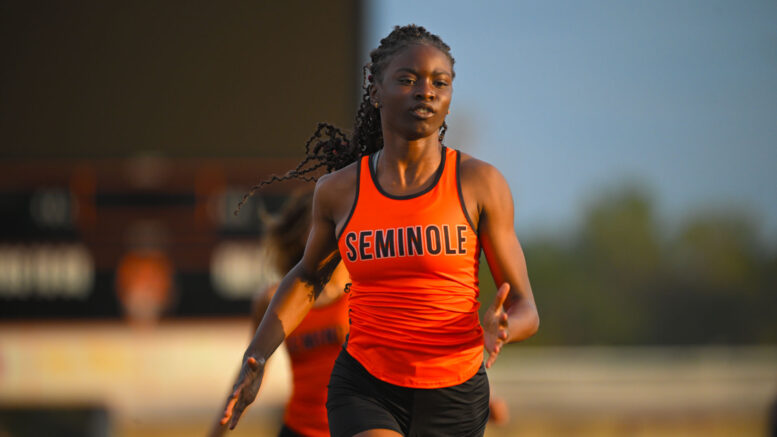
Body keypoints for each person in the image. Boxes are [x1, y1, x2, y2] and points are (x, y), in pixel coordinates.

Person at [220, 24, 539, 437]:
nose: (426, 91)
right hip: (366, 386)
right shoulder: (339, 192)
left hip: (455, 393)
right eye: (407, 80)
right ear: (375, 91)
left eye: (439, 82)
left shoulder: (480, 183)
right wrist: (258, 356)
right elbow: (307, 277)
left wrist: (506, 326)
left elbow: (527, 305)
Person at [210, 191, 350, 437]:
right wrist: (217, 432)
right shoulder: (272, 298)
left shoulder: (366, 288)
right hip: (298, 429)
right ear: (300, 235)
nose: (332, 229)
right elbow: (253, 369)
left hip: (354, 429)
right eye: (320, 223)